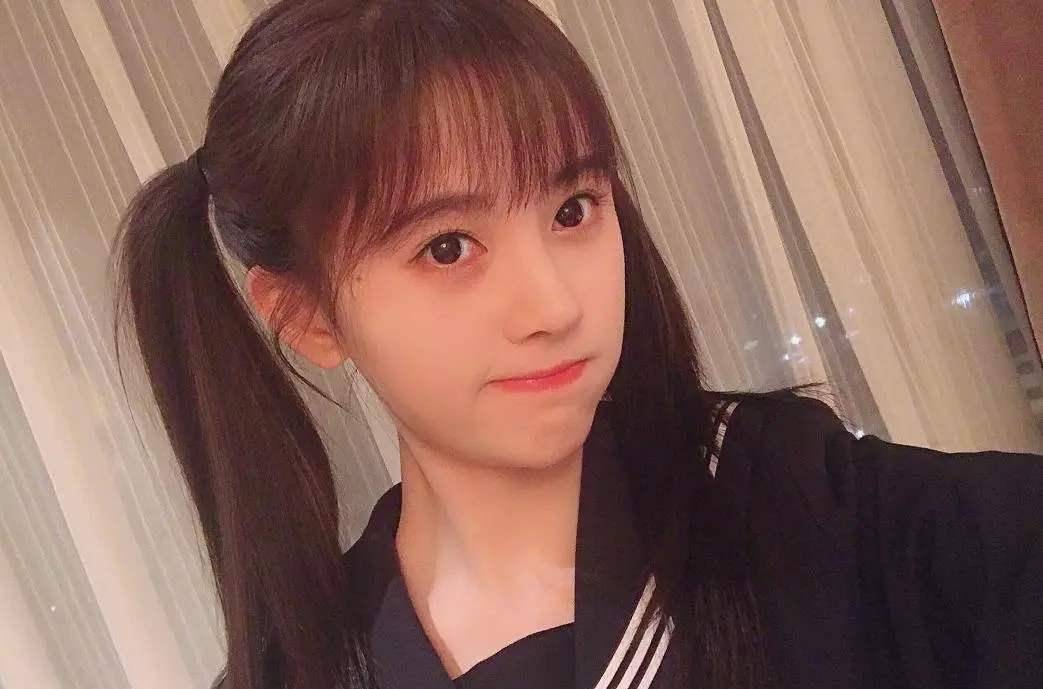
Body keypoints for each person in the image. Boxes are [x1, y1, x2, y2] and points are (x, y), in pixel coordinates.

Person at [109, 1, 1043, 688]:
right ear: (307, 316)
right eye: (447, 247)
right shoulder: (306, 672)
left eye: (572, 209)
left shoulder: (806, 510)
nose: (553, 303)